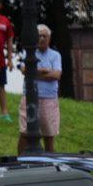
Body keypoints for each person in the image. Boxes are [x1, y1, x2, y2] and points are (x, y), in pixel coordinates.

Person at [21, 25, 61, 153]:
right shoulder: (28, 52)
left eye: (45, 36)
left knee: (48, 135)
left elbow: (56, 75)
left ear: (49, 38)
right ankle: (20, 160)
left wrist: (34, 72)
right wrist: (43, 71)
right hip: (29, 97)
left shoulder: (55, 55)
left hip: (48, 98)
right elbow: (24, 70)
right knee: (25, 133)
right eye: (39, 36)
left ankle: (50, 163)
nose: (42, 38)